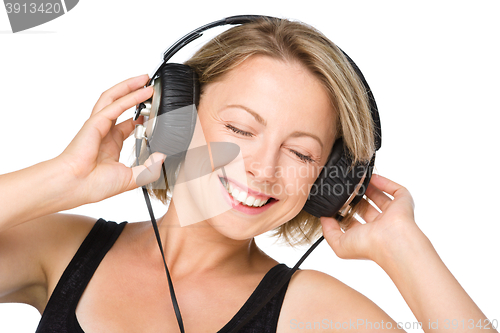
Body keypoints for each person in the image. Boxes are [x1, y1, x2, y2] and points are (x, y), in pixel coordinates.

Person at [0, 17, 495, 333]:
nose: (262, 168)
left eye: (301, 153)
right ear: (176, 118)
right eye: (239, 128)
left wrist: (405, 248)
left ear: (330, 182)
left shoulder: (313, 310)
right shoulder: (60, 250)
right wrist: (61, 178)